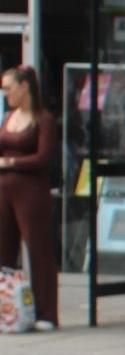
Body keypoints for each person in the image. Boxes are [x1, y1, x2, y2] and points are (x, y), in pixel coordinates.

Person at [0, 65, 59, 331]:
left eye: (9, 88)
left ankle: (47, 313)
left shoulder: (43, 119)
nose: (6, 94)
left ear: (24, 87)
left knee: (38, 249)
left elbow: (43, 158)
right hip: (4, 190)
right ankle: (6, 308)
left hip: (31, 191)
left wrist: (11, 162)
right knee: (3, 248)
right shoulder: (8, 117)